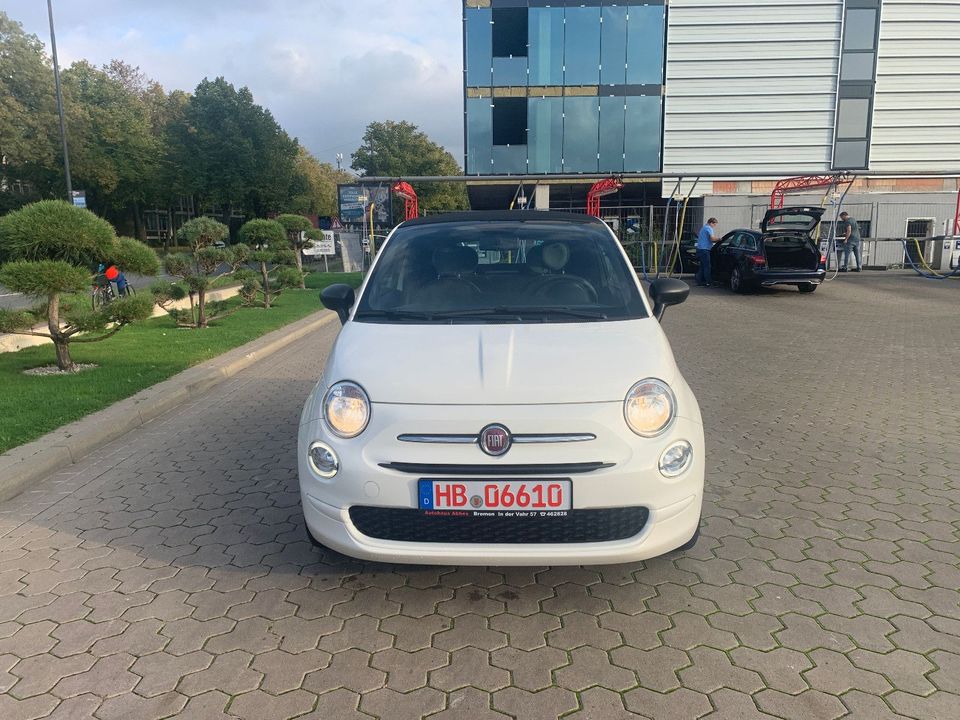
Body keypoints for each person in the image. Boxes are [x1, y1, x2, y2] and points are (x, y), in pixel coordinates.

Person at [695, 217, 720, 286]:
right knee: (707, 266)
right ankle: (708, 282)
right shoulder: (709, 228)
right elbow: (712, 239)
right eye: (714, 224)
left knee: (702, 266)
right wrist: (719, 239)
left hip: (700, 249)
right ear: (711, 223)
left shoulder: (703, 228)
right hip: (704, 250)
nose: (714, 226)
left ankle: (699, 281)